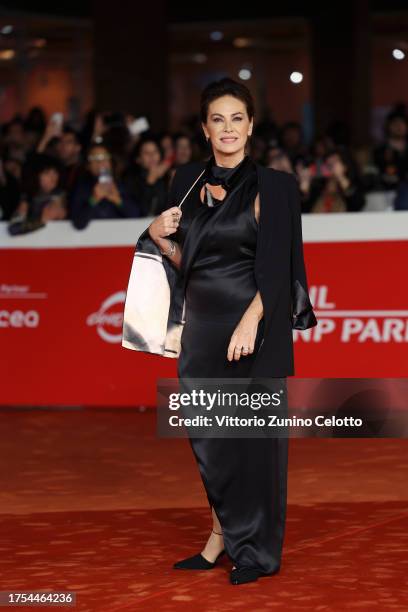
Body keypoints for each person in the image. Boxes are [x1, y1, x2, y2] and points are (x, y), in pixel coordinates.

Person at [145, 78, 317, 585]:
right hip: (201, 331)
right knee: (211, 443)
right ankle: (220, 537)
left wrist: (252, 319)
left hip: (251, 333)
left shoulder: (276, 186)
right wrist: (159, 240)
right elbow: (187, 264)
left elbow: (285, 268)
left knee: (252, 446)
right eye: (217, 119)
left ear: (250, 125)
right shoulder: (184, 182)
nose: (227, 129)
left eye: (236, 118)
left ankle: (256, 552)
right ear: (204, 128)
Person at [69, 143, 140, 229]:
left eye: (104, 157)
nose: (100, 162)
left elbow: (136, 216)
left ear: (110, 162)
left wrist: (117, 199)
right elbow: (78, 224)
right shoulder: (82, 187)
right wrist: (94, 199)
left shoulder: (121, 185)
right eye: (95, 158)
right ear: (88, 165)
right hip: (92, 240)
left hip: (119, 238)